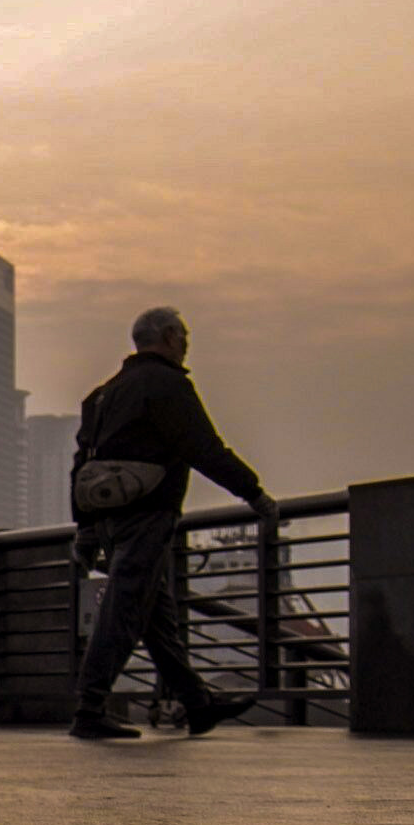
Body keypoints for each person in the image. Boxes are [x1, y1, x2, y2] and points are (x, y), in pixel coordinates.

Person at [66, 305, 271, 743]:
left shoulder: (103, 395)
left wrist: (84, 527)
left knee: (156, 620)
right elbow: (203, 447)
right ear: (169, 336)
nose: (188, 342)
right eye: (184, 334)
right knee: (121, 613)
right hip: (148, 516)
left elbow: (81, 464)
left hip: (107, 520)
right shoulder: (167, 385)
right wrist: (252, 492)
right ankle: (89, 708)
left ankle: (198, 705)